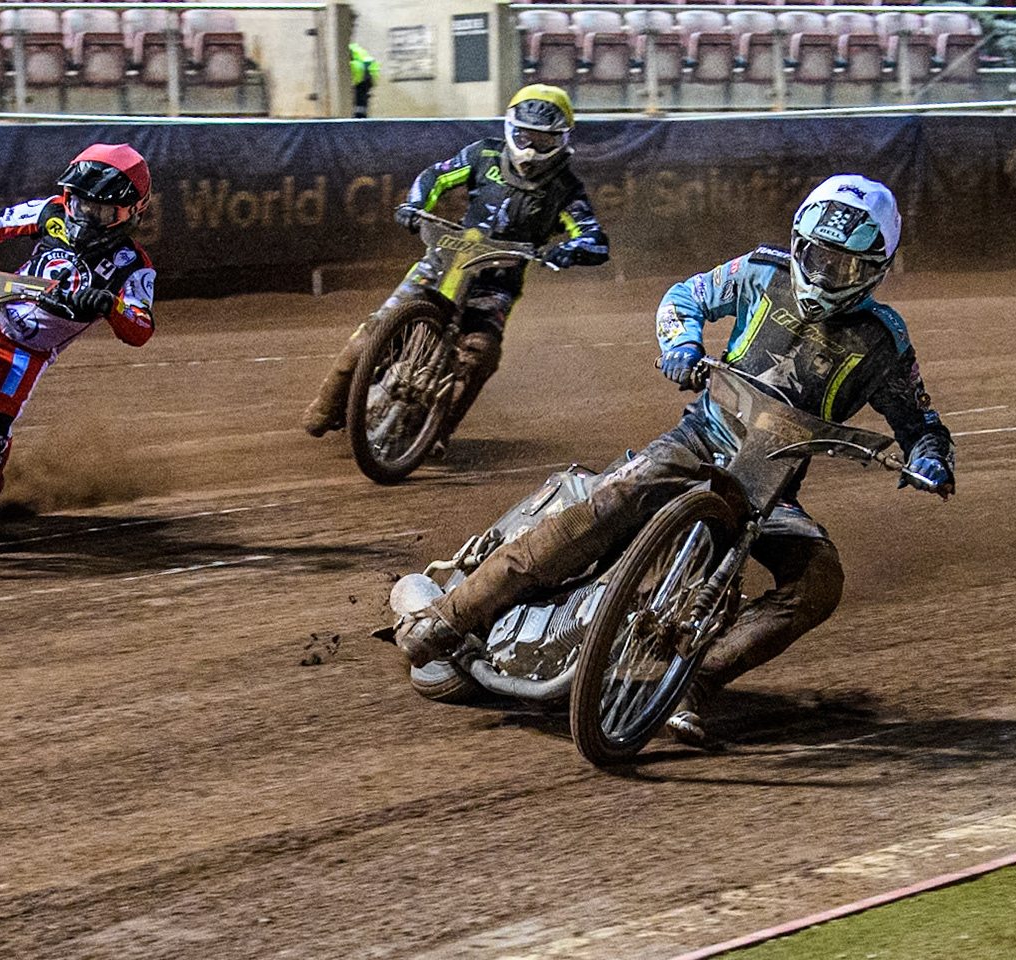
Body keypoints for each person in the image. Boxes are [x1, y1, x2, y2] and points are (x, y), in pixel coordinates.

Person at [391, 175, 955, 748]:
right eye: (817, 256)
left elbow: (921, 423)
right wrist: (681, 345)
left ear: (877, 267)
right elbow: (685, 296)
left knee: (819, 582)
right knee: (605, 506)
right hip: (696, 442)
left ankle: (696, 682)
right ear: (797, 243)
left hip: (771, 486)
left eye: (846, 266)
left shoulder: (886, 343)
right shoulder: (762, 273)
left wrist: (930, 458)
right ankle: (450, 618)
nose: (827, 274)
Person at [301, 84, 609, 442]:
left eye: (543, 141)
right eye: (525, 137)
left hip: (496, 284)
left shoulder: (567, 189)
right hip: (443, 261)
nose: (531, 149)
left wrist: (573, 250)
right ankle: (325, 406)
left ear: (562, 141)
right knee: (370, 336)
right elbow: (436, 175)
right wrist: (415, 206)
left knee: (481, 354)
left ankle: (439, 433)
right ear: (510, 130)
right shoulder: (483, 155)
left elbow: (592, 235)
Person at [0, 143, 156, 539]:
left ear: (133, 211)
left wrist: (109, 304)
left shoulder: (134, 266)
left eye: (102, 210)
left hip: (27, 350)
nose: (86, 215)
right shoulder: (51, 211)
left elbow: (140, 327)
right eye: (80, 203)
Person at [349, 41, 380, 118]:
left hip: (363, 77)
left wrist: (355, 82)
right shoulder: (359, 51)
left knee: (360, 96)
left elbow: (357, 70)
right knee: (363, 96)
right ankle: (361, 113)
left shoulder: (353, 54)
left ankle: (359, 114)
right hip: (368, 75)